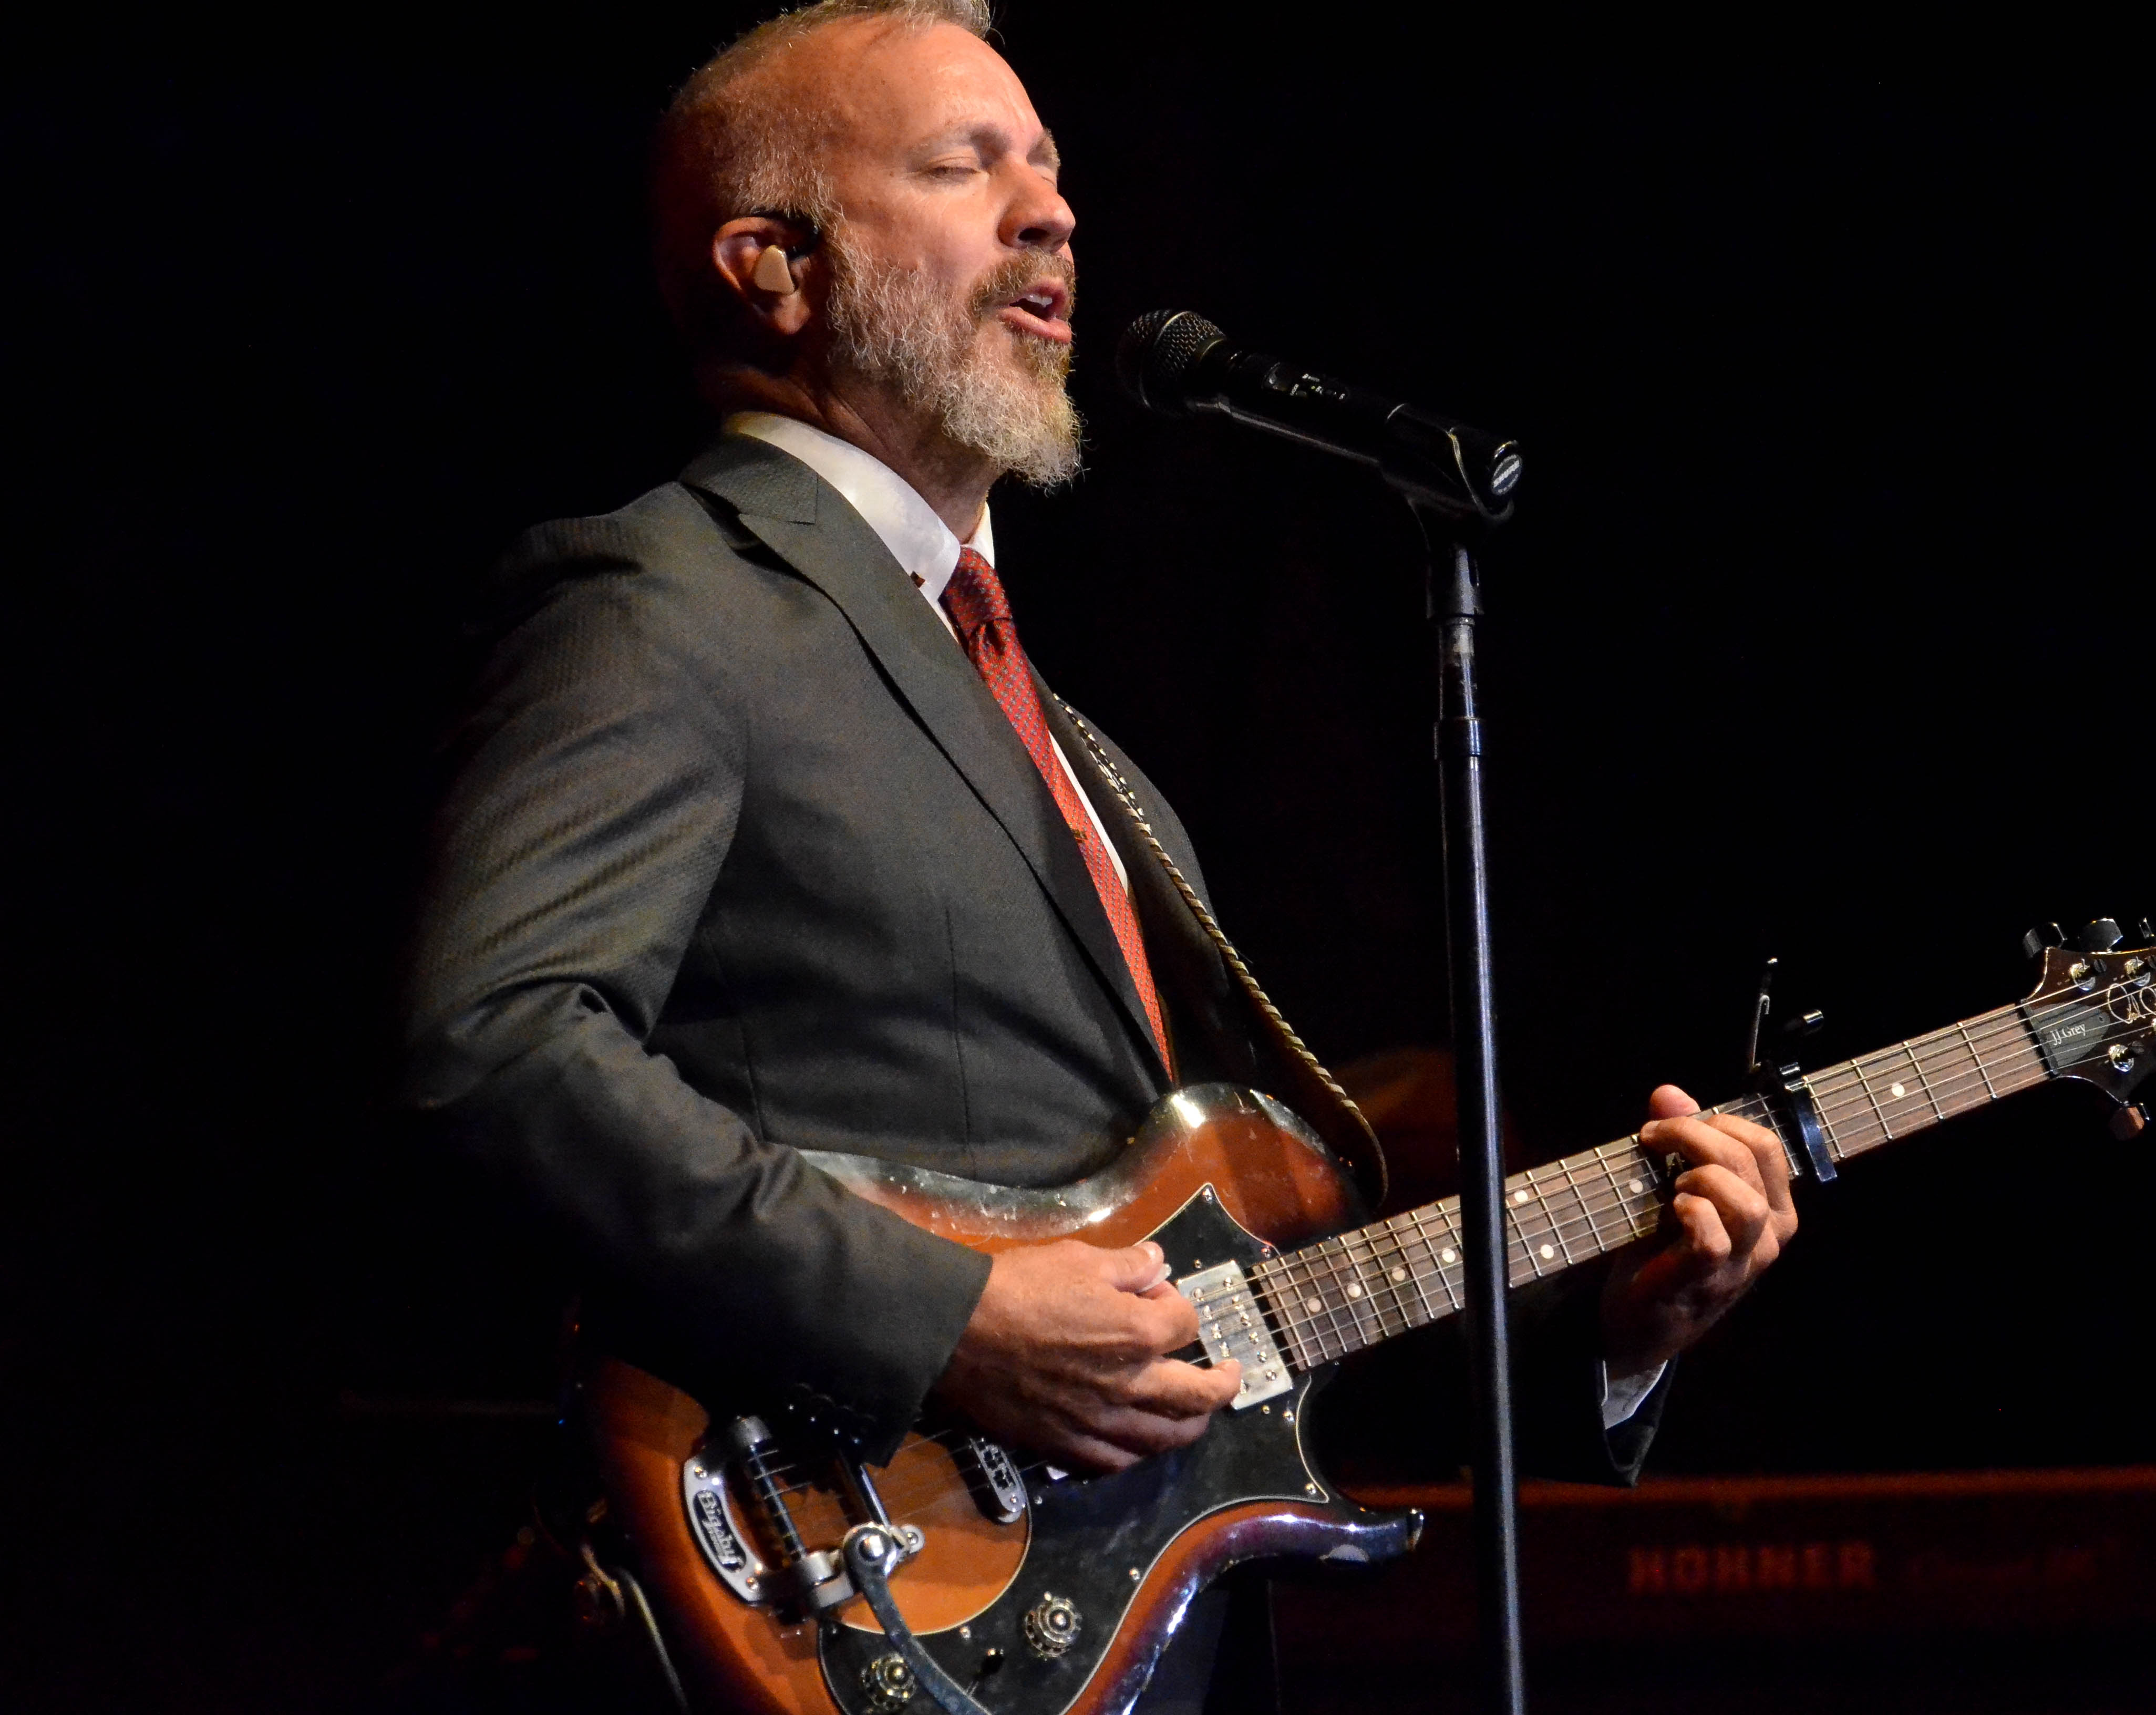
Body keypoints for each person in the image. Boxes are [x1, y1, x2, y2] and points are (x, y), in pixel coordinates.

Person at [400, 0, 1797, 1700]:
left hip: (1115, 1638)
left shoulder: (1078, 750)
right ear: (774, 265)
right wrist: (949, 1321)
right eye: (962, 166)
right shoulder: (667, 601)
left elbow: (1230, 1324)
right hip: (849, 1601)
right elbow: (500, 1046)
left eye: (1051, 170)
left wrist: (1620, 1331)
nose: (1052, 214)